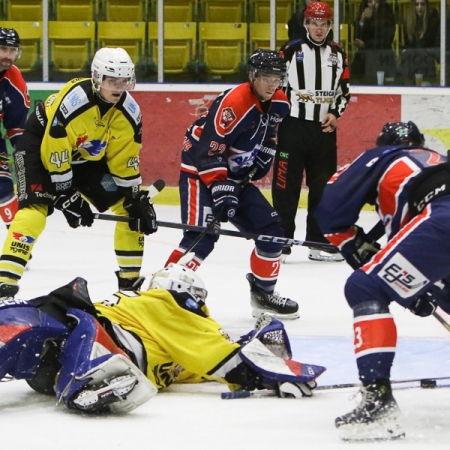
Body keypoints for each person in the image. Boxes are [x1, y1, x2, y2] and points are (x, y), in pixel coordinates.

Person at [0, 264, 325, 414]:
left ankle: (86, 379)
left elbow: (220, 360)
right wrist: (274, 375)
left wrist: (271, 373)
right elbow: (223, 361)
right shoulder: (166, 309)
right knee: (30, 328)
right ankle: (86, 379)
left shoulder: (174, 318)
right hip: (73, 334)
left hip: (65, 347)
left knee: (23, 333)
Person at [315, 121, 450, 441]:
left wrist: (351, 244)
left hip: (444, 218)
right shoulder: (434, 160)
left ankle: (378, 403)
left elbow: (331, 210)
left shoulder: (383, 155)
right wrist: (416, 288)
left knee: (365, 286)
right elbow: (422, 261)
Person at [0, 47, 158, 299]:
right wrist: (65, 194)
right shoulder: (76, 101)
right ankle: (4, 281)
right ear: (97, 78)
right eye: (111, 80)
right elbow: (55, 149)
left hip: (84, 159)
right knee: (35, 208)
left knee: (130, 211)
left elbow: (124, 159)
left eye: (123, 80)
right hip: (38, 146)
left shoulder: (129, 112)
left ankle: (129, 287)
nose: (118, 87)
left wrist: (133, 195)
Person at [164, 49, 299, 320]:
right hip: (200, 171)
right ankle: (161, 297)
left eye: (278, 78)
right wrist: (222, 191)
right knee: (202, 237)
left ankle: (263, 295)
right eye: (266, 78)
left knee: (272, 235)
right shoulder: (234, 103)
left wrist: (264, 155)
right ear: (252, 76)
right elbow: (208, 152)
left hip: (236, 174)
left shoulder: (281, 103)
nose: (273, 84)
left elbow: (270, 133)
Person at [271, 1, 350, 263]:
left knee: (322, 189)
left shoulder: (338, 53)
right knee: (285, 186)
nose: (319, 28)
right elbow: (275, 88)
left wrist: (335, 113)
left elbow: (344, 91)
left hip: (324, 131)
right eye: (314, 23)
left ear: (330, 25)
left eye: (324, 23)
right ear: (306, 24)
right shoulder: (290, 51)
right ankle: (281, 242)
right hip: (293, 128)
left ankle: (318, 242)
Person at [0, 27, 30, 228]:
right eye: (3, 49)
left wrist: (27, 160)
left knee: (3, 186)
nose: (8, 56)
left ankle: (17, 244)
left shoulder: (14, 79)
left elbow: (16, 128)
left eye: (12, 50)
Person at [351, 0, 396, 84]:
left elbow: (386, 41)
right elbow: (357, 38)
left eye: (377, 2)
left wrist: (365, 44)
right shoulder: (362, 17)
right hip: (364, 59)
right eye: (370, 2)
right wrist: (362, 19)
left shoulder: (387, 16)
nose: (373, 4)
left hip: (383, 58)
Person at [400, 0, 440, 85]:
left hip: (427, 66)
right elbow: (407, 46)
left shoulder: (433, 22)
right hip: (410, 67)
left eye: (422, 4)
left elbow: (436, 48)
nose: (419, 7)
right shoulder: (407, 23)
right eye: (416, 4)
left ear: (427, 6)